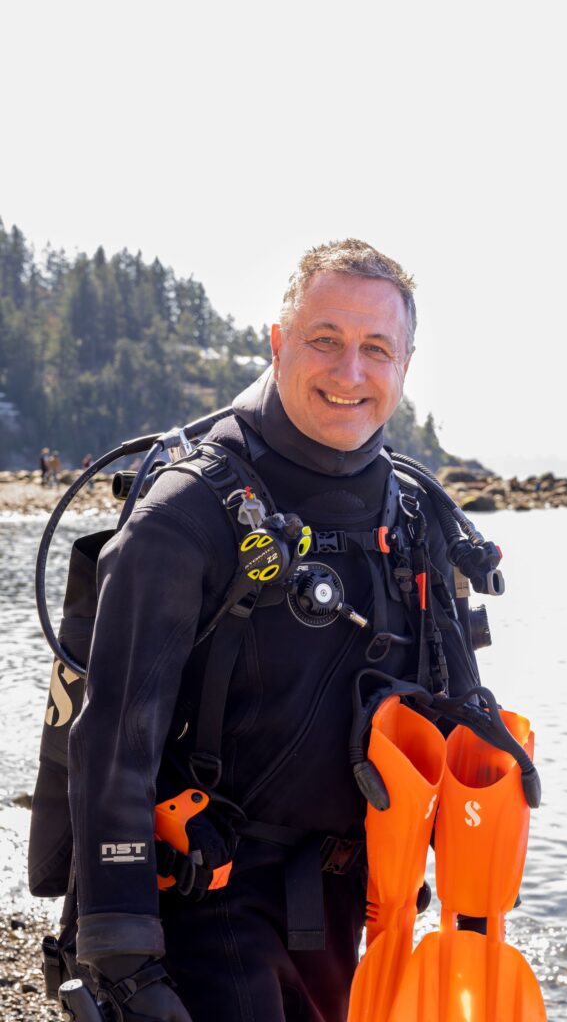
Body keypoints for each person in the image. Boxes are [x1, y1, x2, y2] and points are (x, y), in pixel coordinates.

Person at [66, 240, 472, 1022]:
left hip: (350, 899)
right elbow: (114, 737)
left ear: (405, 365)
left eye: (376, 348)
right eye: (325, 339)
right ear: (279, 342)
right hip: (209, 898)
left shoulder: (414, 515)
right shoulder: (186, 516)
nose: (349, 371)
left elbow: (447, 708)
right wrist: (122, 954)